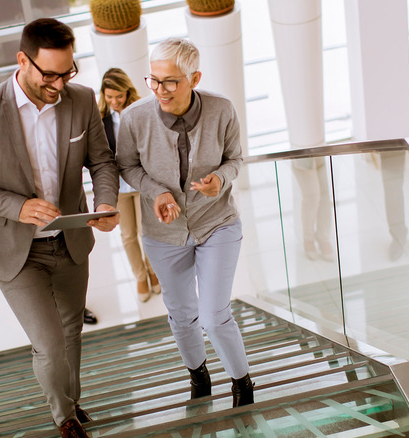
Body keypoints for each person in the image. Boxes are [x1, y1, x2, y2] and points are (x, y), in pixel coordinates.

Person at [0, 18, 119, 438]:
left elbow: (102, 161)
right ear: (23, 60)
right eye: (50, 74)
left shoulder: (80, 100)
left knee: (72, 330)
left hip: (71, 240)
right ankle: (63, 418)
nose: (60, 84)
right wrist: (17, 207)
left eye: (67, 72)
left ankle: (72, 404)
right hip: (15, 250)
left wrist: (106, 201)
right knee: (50, 342)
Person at [116, 38, 254, 407]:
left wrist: (220, 180)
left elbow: (235, 158)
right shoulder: (134, 118)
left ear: (195, 77)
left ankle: (242, 384)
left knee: (213, 314)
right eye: (153, 80)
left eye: (171, 82)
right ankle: (199, 377)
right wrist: (156, 192)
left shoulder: (222, 109)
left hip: (217, 224)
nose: (160, 90)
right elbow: (127, 166)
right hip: (163, 234)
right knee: (181, 316)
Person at [99, 68, 161, 302]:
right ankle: (139, 276)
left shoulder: (141, 113)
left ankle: (153, 271)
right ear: (103, 95)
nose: (114, 102)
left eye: (119, 96)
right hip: (120, 188)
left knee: (147, 232)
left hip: (142, 182)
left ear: (128, 92)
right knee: (128, 235)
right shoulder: (100, 121)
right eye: (109, 97)